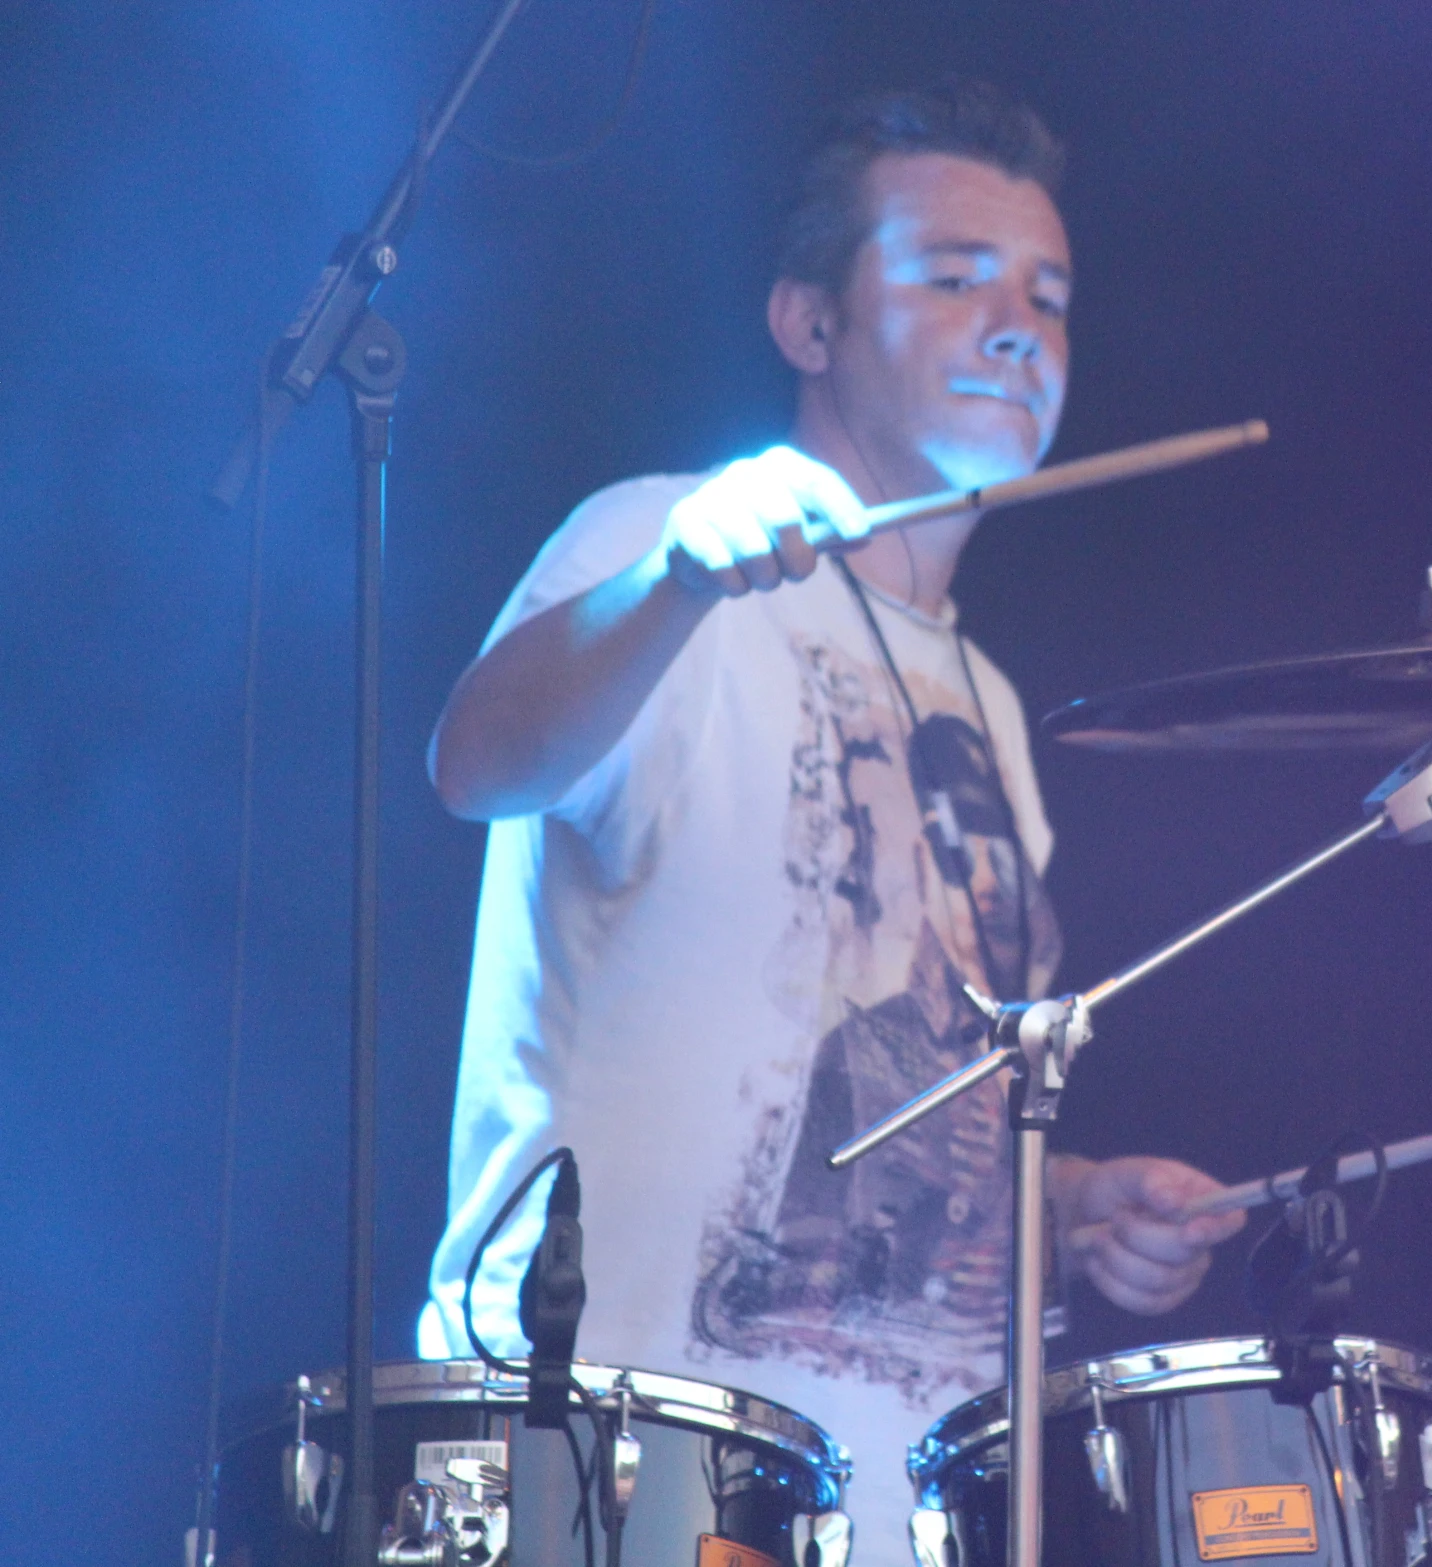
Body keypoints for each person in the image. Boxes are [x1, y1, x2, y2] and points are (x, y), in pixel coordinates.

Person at [417, 79, 1244, 1563]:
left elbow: (930, 1134)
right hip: (619, 1465)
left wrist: (1075, 1211)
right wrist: (678, 573)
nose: (1015, 325)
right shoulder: (661, 546)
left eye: (1047, 297)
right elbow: (477, 762)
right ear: (807, 325)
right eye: (950, 276)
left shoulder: (986, 701)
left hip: (897, 1508)